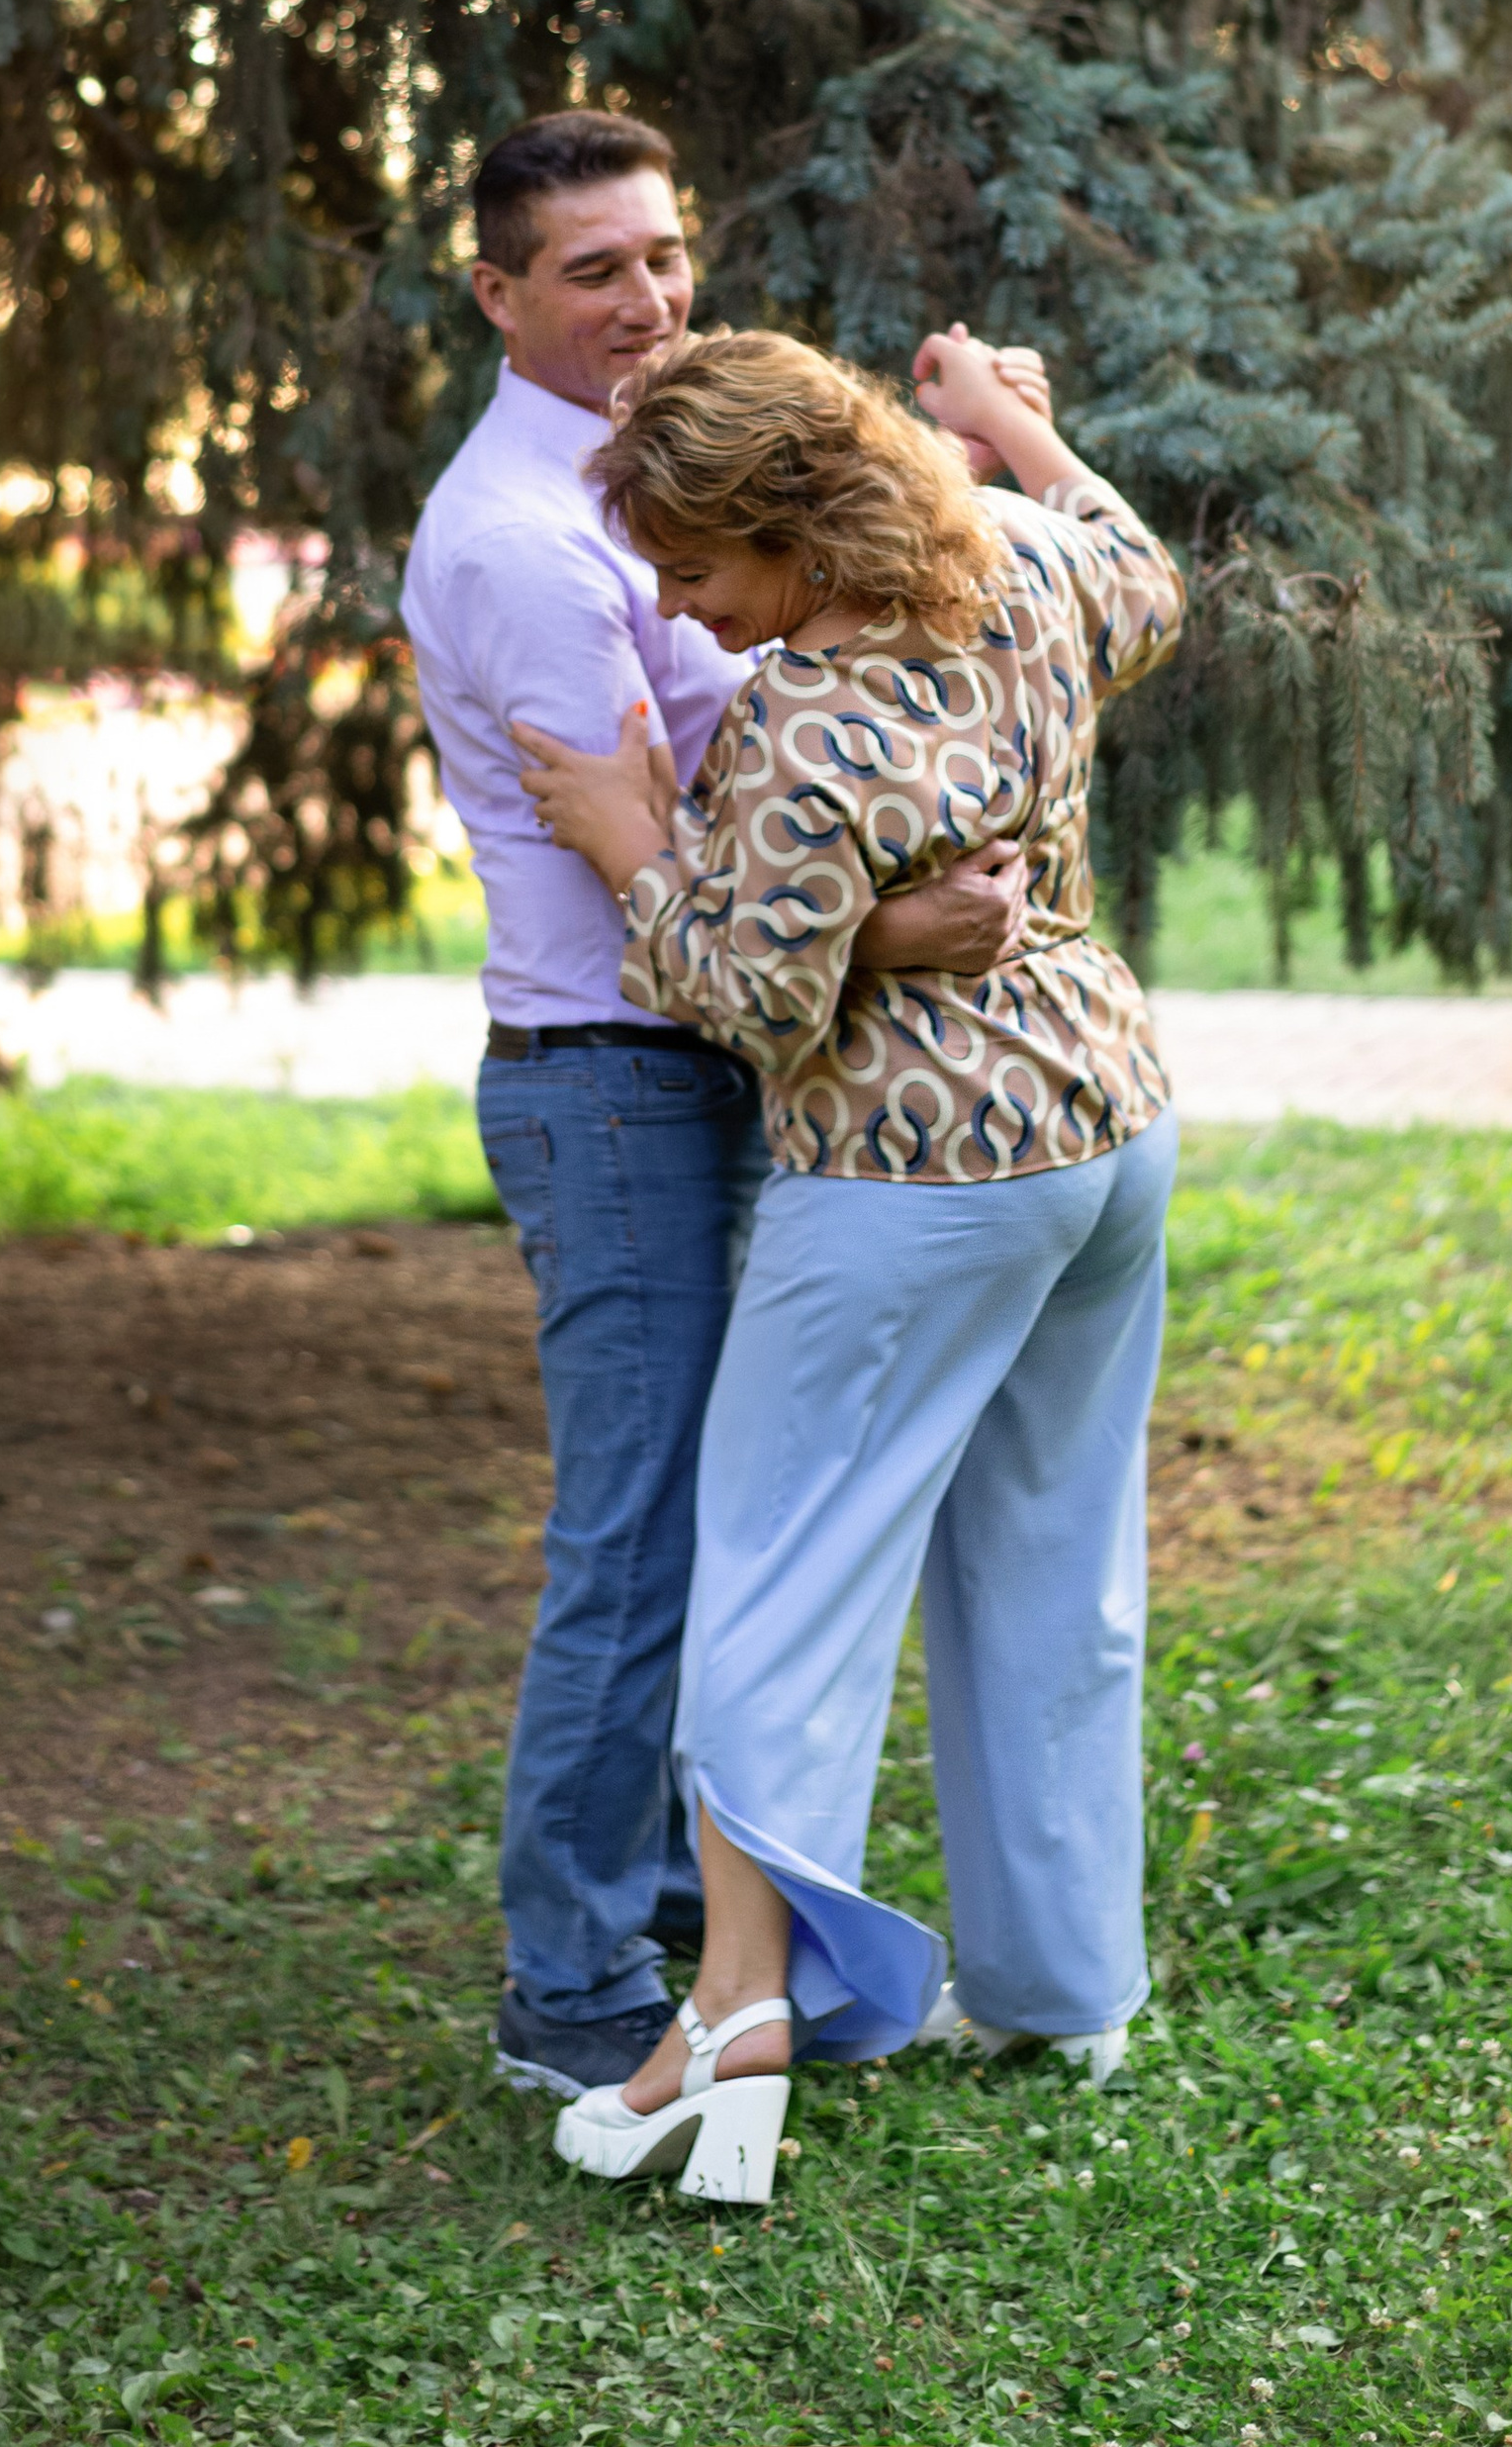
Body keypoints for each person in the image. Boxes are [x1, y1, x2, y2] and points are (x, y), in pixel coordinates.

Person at [399, 112, 1039, 2101]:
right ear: (497, 294)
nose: (646, 301)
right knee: (640, 1534)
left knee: (732, 1517)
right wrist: (894, 929)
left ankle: (707, 1925)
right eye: (591, 271)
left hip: (711, 1058)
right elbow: (663, 872)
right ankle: (568, 1985)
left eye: (662, 256)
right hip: (614, 1084)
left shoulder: (652, 484)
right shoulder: (516, 543)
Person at [510, 324, 1184, 2205]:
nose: (683, 610)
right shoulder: (1020, 555)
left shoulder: (808, 714)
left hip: (914, 1169)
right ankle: (1063, 1993)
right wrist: (1019, 431)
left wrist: (634, 841)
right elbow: (1146, 576)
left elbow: (737, 992)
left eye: (701, 570)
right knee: (1058, 1566)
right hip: (1108, 1129)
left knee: (773, 1593)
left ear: (799, 538)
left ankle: (735, 2022)